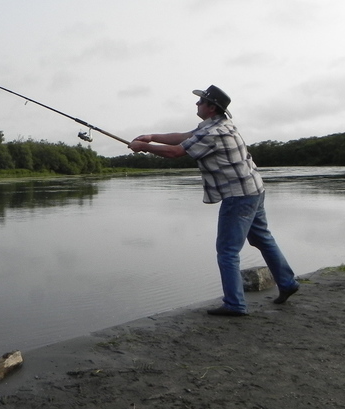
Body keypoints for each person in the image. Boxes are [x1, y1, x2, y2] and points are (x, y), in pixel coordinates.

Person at [128, 85, 299, 316]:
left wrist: (143, 147)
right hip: (254, 189)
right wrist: (151, 137)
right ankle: (287, 283)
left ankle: (235, 305)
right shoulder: (218, 125)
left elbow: (176, 152)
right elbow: (183, 137)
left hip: (238, 196)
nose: (196, 105)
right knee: (263, 238)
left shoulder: (213, 133)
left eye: (200, 102)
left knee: (227, 251)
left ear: (211, 107)